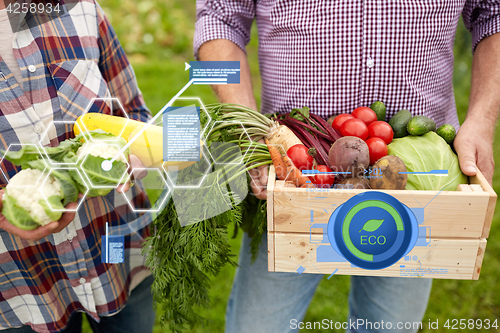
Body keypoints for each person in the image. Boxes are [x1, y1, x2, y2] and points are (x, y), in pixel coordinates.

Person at [194, 1, 500, 332]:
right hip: (293, 175)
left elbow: (493, 14)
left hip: (416, 183)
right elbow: (218, 20)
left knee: (389, 327)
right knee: (257, 326)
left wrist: (483, 120)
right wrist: (249, 128)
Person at [0, 1, 155, 332]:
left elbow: (135, 115)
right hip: (23, 284)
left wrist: (130, 161)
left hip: (117, 256)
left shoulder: (81, 9)